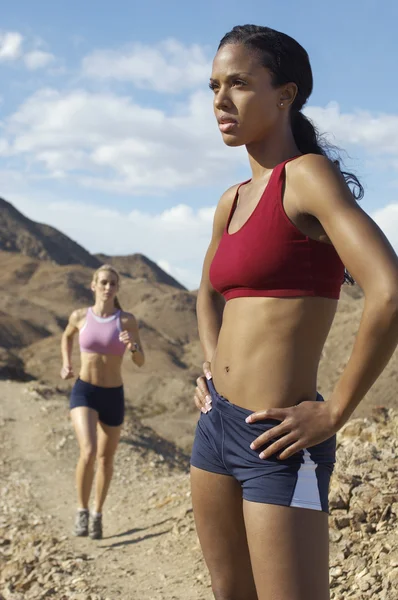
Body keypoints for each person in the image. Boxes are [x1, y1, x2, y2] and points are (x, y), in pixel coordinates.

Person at [191, 25, 398, 600]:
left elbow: (389, 290)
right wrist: (211, 362)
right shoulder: (230, 200)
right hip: (214, 427)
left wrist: (334, 412)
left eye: (238, 83)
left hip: (278, 440)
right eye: (213, 87)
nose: (220, 101)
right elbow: (208, 290)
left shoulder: (306, 178)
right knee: (229, 591)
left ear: (286, 94)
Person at [60, 264, 145, 539]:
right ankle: (82, 511)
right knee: (88, 451)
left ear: (117, 289)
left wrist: (132, 345)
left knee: (106, 460)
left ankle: (97, 513)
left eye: (113, 284)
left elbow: (141, 360)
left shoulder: (127, 320)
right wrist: (66, 364)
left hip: (113, 394)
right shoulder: (79, 316)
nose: (108, 288)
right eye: (104, 282)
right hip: (84, 391)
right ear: (93, 285)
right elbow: (66, 336)